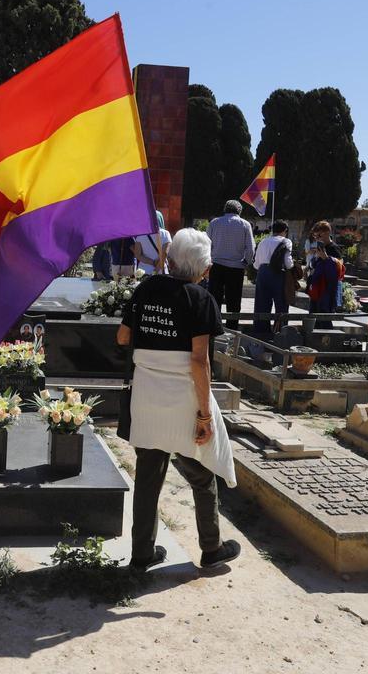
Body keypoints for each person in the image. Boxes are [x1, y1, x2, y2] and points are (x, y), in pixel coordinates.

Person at [117, 228, 240, 572]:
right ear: (205, 269)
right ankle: (211, 548)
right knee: (201, 474)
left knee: (148, 478)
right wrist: (205, 415)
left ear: (169, 261)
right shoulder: (201, 299)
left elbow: (123, 336)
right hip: (183, 400)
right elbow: (199, 361)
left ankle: (142, 554)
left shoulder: (145, 289)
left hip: (147, 396)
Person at [206, 200, 255, 332]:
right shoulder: (245, 224)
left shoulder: (214, 223)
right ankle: (232, 329)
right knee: (234, 300)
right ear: (239, 211)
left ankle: (213, 327)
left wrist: (208, 260)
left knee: (214, 298)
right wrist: (246, 262)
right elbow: (250, 248)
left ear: (225, 209)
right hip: (236, 267)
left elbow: (206, 244)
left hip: (216, 265)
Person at [252, 221, 293, 333]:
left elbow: (256, 264)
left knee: (261, 304)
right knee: (281, 305)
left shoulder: (263, 242)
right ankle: (280, 331)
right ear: (285, 231)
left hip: (263, 273)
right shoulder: (286, 241)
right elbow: (288, 263)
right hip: (278, 273)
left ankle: (261, 330)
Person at [307, 241, 344, 328]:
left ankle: (327, 335)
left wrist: (326, 258)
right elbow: (313, 267)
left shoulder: (333, 258)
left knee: (324, 319)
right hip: (316, 292)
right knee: (315, 317)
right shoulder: (317, 259)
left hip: (325, 294)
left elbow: (333, 276)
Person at [135, 210, 173, 276]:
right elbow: (164, 254)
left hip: (143, 271)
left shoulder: (140, 234)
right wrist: (156, 271)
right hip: (161, 272)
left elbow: (138, 255)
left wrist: (152, 262)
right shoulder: (166, 234)